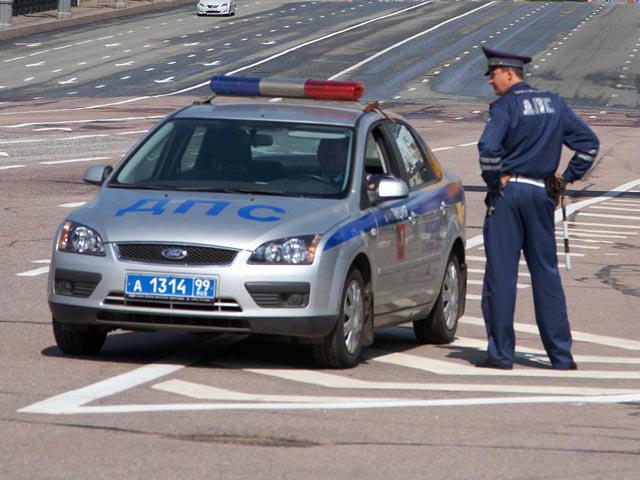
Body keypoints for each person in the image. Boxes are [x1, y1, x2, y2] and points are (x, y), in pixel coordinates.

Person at [476, 46, 600, 370]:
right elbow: (589, 145)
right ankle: (561, 356)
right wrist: (567, 177)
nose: (490, 81)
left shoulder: (506, 106)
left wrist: (494, 181)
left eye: (493, 74)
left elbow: (488, 147)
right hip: (541, 194)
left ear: (509, 73)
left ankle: (501, 355)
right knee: (546, 275)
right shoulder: (555, 103)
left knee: (501, 276)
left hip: (508, 196)